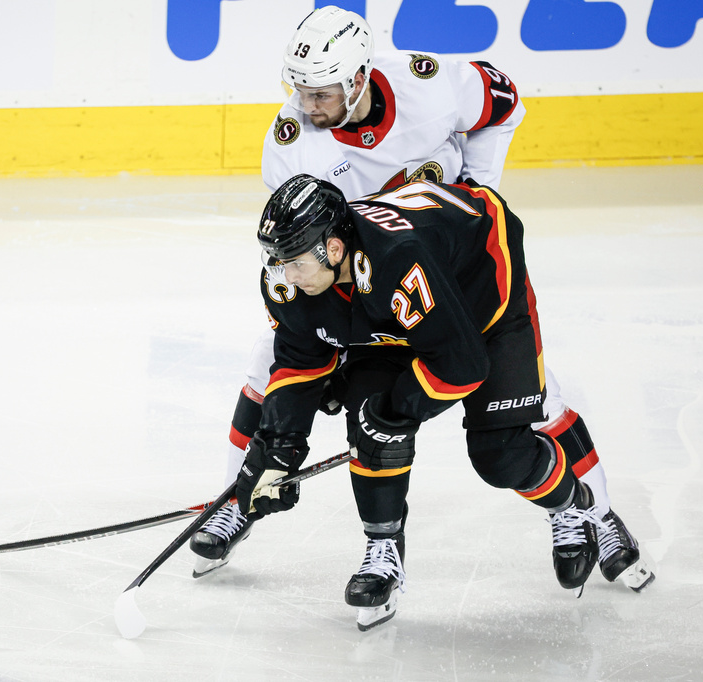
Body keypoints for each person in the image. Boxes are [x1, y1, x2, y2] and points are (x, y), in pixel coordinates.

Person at [190, 5, 652, 594]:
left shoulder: (428, 85)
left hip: (452, 270)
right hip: (364, 282)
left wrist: (475, 190)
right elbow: (301, 250)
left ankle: (597, 513)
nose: (305, 106)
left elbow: (506, 105)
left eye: (320, 93)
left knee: (532, 398)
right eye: (298, 91)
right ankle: (240, 498)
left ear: (358, 77)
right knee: (274, 361)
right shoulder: (292, 144)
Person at [237, 173, 612, 630]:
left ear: (333, 249)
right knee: (366, 411)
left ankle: (572, 502)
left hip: (480, 289)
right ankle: (383, 548)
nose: (286, 275)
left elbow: (462, 364)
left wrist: (393, 413)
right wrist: (278, 444)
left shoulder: (397, 258)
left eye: (294, 262)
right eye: (278, 261)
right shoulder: (291, 280)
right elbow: (300, 359)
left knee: (500, 456)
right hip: (400, 308)